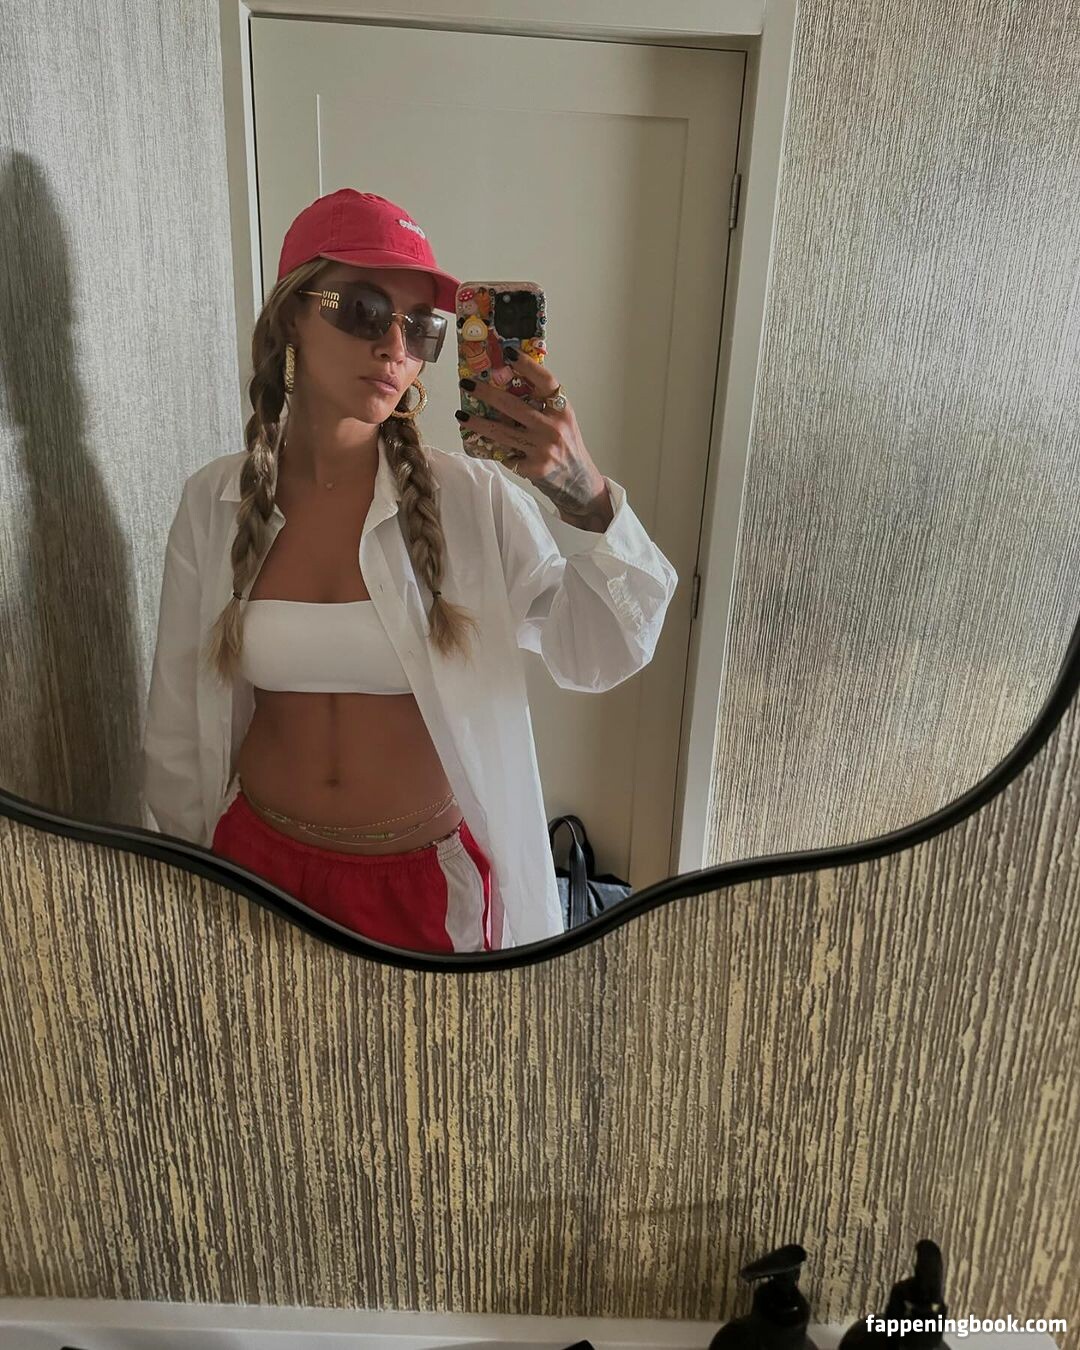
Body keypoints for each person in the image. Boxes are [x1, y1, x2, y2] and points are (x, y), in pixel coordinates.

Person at [141, 188, 677, 953]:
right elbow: (176, 723)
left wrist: (586, 497)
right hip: (253, 873)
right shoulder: (216, 502)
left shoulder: (473, 501)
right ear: (292, 314)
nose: (396, 346)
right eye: (364, 310)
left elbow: (600, 652)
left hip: (422, 892)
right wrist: (180, 889)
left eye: (422, 327)